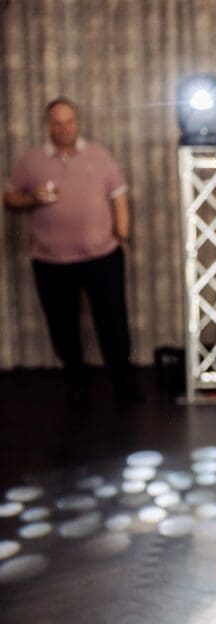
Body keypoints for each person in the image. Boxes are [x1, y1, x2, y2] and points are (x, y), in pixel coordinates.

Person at [3, 97, 141, 404]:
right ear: (48, 125)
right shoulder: (31, 161)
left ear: (77, 123)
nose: (64, 128)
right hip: (51, 261)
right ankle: (77, 384)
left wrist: (123, 235)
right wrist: (32, 199)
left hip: (102, 255)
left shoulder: (99, 155)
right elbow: (10, 199)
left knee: (114, 323)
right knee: (63, 327)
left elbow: (119, 197)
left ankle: (124, 384)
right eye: (57, 122)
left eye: (69, 121)